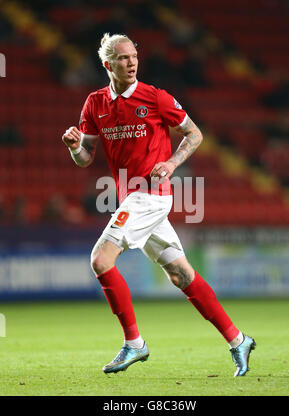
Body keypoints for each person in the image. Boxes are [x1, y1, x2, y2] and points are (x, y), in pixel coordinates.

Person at [62, 33, 256, 377]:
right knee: (181, 273)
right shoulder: (94, 104)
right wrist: (75, 146)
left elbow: (194, 134)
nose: (132, 62)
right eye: (123, 58)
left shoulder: (155, 97)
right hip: (130, 198)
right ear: (108, 65)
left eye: (134, 56)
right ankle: (237, 339)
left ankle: (134, 344)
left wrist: (171, 164)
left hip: (150, 195)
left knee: (100, 259)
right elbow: (84, 158)